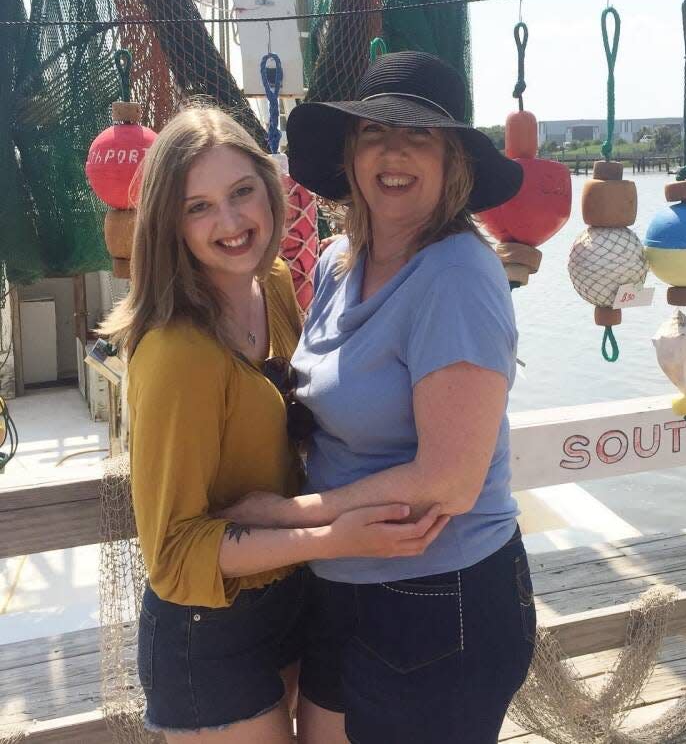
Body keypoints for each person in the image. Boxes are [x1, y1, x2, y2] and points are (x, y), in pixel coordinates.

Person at [100, 106, 446, 744]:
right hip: (209, 629)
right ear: (168, 225)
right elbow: (173, 556)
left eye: (240, 193)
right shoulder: (177, 354)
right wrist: (331, 536)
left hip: (288, 597)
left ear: (270, 189)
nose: (230, 223)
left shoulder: (277, 285)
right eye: (197, 206)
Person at [220, 52, 538, 744]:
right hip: (340, 583)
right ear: (351, 155)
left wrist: (285, 517)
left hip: (439, 596)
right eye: (373, 134)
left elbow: (448, 482)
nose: (393, 152)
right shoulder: (340, 261)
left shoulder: (456, 273)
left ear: (453, 160)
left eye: (418, 136)